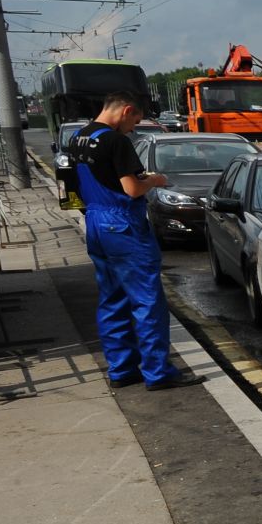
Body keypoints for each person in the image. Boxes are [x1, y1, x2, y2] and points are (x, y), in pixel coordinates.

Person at [66, 93, 206, 392]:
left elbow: (72, 186)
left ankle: (121, 369)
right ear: (126, 110)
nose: (132, 128)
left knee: (112, 298)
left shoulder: (78, 137)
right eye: (134, 121)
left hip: (95, 221)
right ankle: (158, 372)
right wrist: (155, 181)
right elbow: (131, 189)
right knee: (147, 301)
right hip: (123, 224)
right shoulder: (116, 142)